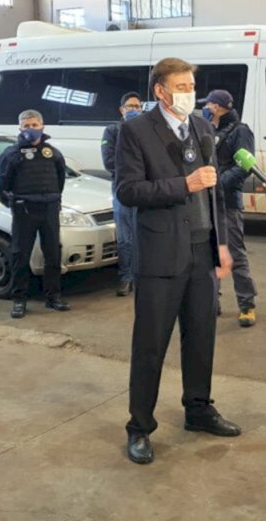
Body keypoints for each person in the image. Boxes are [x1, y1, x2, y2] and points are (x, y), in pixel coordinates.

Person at [116, 57, 238, 465]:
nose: (189, 93)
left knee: (201, 336)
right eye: (181, 86)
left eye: (192, 86)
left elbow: (214, 192)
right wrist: (182, 184)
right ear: (161, 92)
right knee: (151, 343)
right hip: (161, 253)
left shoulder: (203, 128)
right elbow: (129, 190)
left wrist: (221, 245)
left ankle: (199, 409)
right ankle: (139, 427)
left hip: (202, 249)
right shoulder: (135, 131)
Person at [0, 110, 70, 318]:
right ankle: (19, 300)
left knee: (53, 253)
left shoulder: (53, 153)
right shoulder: (10, 155)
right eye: (26, 126)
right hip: (24, 210)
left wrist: (53, 199)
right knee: (20, 254)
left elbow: (60, 180)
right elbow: (1, 185)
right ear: (19, 128)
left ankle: (53, 297)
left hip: (49, 209)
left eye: (35, 125)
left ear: (43, 126)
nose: (31, 129)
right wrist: (12, 203)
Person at [201, 89, 258, 327]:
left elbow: (245, 167)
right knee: (209, 254)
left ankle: (247, 306)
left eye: (210, 105)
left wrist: (219, 184)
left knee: (235, 254)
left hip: (228, 201)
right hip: (206, 200)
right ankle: (212, 302)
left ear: (220, 106)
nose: (207, 108)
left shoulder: (240, 131)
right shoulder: (208, 129)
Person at [102, 92, 143, 297]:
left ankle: (142, 277)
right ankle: (126, 277)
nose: (133, 110)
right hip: (123, 191)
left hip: (145, 192)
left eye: (137, 106)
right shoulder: (112, 131)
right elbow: (109, 162)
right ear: (121, 110)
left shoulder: (148, 131)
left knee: (145, 236)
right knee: (125, 239)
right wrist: (136, 168)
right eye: (129, 106)